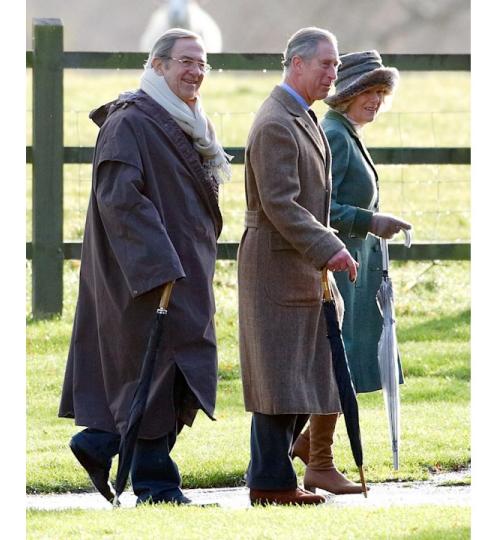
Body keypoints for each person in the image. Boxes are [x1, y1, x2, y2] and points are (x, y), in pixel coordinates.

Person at [58, 28, 229, 506]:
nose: (195, 72)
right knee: (156, 369)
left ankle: (100, 444)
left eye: (202, 64)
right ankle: (156, 484)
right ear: (157, 66)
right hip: (145, 274)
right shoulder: (129, 121)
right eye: (185, 62)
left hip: (183, 268)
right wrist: (159, 267)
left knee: (170, 369)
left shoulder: (188, 121)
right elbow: (119, 199)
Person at [237, 27, 359, 506]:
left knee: (299, 372)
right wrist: (327, 246)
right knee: (278, 377)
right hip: (276, 266)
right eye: (325, 64)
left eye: (335, 65)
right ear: (296, 64)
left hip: (299, 265)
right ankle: (271, 485)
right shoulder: (275, 123)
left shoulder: (301, 116)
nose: (334, 73)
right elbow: (281, 205)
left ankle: (274, 473)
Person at [289, 50, 411, 494]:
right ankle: (315, 458)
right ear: (346, 94)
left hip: (356, 267)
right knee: (332, 363)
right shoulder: (335, 134)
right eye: (367, 91)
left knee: (340, 363)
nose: (376, 100)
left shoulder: (348, 131)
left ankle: (307, 448)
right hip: (339, 264)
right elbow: (322, 205)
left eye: (381, 93)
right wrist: (370, 221)